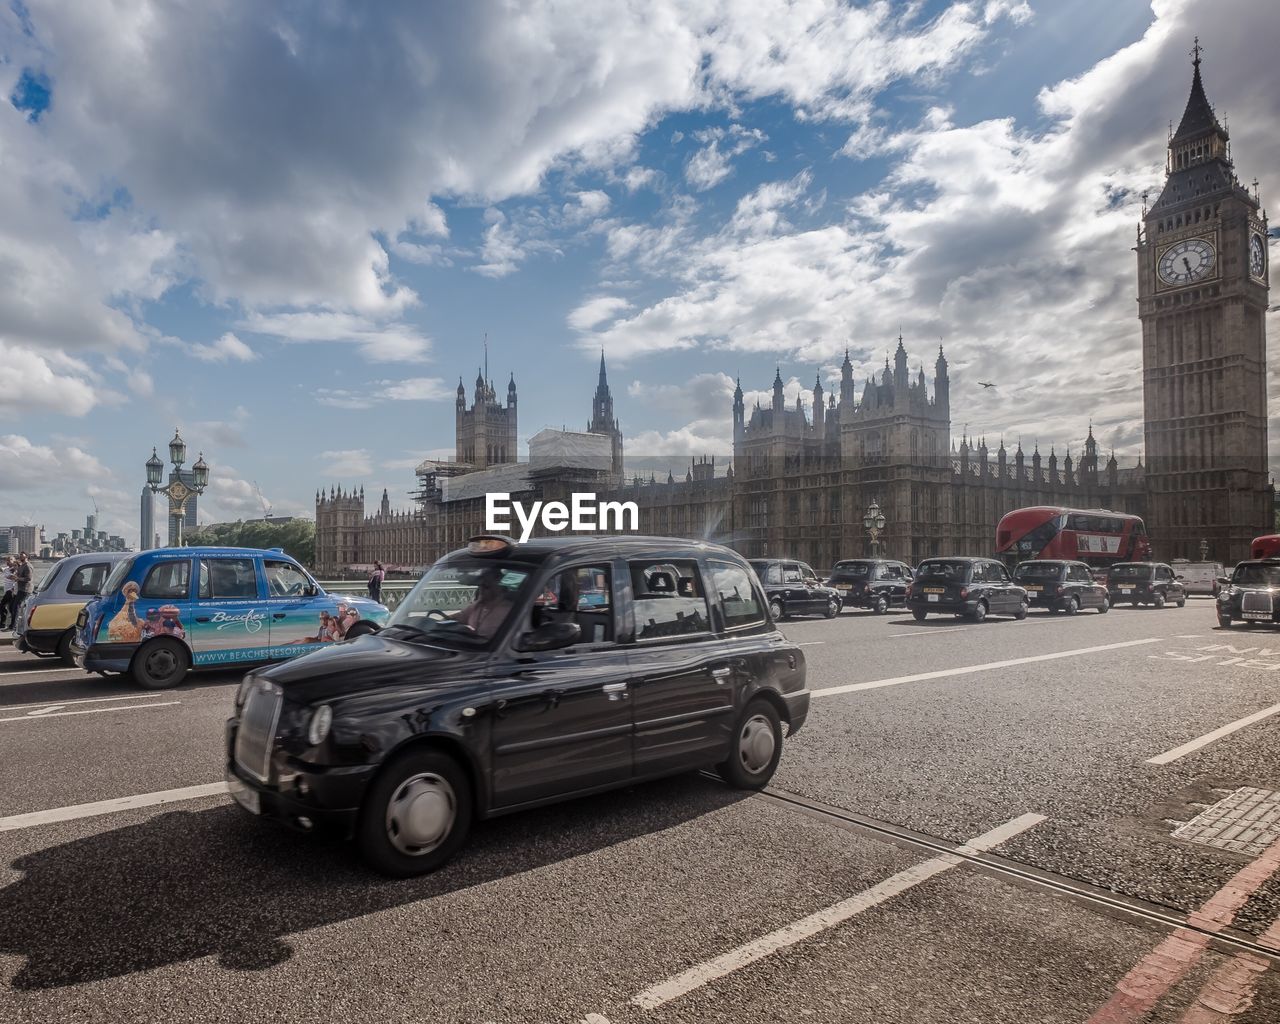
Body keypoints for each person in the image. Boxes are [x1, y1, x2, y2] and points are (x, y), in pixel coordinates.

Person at [454, 566, 512, 639]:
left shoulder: (508, 610)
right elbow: (459, 617)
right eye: (480, 585)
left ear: (498, 587)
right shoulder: (478, 605)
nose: (481, 589)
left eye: (486, 586)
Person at [0, 556, 16, 630]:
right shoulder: (6, 569)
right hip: (6, 591)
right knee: (10, 608)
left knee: (4, 605)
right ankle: (9, 624)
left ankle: (4, 624)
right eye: (7, 560)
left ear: (14, 561)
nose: (8, 561)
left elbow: (16, 579)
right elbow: (1, 569)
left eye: (10, 560)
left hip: (11, 591)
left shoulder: (16, 570)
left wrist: (13, 589)